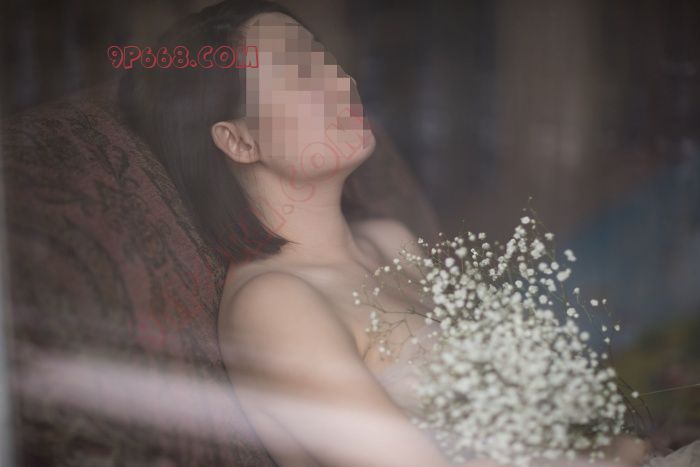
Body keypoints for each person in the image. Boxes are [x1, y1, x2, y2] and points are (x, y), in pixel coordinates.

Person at [118, 1, 695, 466]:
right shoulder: (274, 304)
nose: (340, 80)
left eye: (324, 59)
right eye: (299, 73)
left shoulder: (388, 239)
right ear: (240, 141)